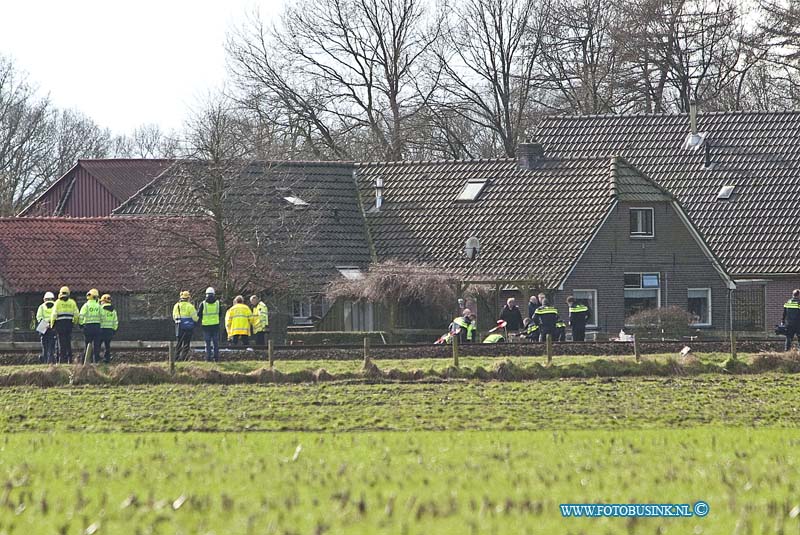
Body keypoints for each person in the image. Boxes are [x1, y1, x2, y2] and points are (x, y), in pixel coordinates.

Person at [51, 286, 79, 364]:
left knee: (61, 343)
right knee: (68, 342)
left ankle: (61, 360)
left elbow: (54, 315)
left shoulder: (57, 302)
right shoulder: (72, 302)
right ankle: (70, 359)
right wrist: (74, 322)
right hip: (69, 325)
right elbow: (76, 314)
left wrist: (52, 325)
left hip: (59, 325)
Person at [173, 290, 199, 360]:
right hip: (188, 327)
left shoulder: (176, 306)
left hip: (179, 327)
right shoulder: (190, 306)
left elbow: (174, 317)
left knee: (179, 343)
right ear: (188, 298)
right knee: (186, 343)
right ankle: (183, 358)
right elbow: (195, 318)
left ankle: (176, 357)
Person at [197, 287, 221, 362]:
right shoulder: (218, 303)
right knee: (215, 343)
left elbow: (199, 314)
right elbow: (220, 314)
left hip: (206, 326)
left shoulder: (203, 304)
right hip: (215, 326)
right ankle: (216, 358)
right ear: (214, 294)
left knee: (207, 343)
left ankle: (208, 358)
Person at [79, 289, 102, 364]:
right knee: (96, 345)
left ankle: (86, 361)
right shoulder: (99, 306)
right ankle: (96, 361)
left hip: (88, 327)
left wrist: (81, 325)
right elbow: (102, 317)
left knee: (87, 345)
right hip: (97, 327)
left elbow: (81, 316)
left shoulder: (86, 305)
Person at [36, 292, 57, 364]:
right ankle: (51, 361)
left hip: (43, 326)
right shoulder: (55, 306)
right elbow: (56, 316)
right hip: (52, 326)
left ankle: (45, 361)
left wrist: (45, 324)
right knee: (51, 346)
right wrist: (51, 323)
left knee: (44, 346)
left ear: (44, 299)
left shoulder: (41, 307)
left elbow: (39, 318)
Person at [99, 294, 118, 364]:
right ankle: (107, 359)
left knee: (98, 345)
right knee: (107, 345)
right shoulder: (113, 311)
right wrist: (114, 330)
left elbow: (99, 319)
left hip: (101, 329)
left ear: (103, 301)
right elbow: (115, 322)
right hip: (110, 330)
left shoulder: (100, 309)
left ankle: (97, 358)